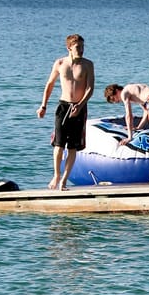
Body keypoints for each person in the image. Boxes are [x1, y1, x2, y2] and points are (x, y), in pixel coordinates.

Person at [38, 34, 95, 189]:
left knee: (73, 147)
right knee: (59, 144)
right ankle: (56, 175)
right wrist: (43, 106)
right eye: (78, 47)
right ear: (69, 47)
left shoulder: (88, 64)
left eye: (83, 47)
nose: (81, 50)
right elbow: (49, 84)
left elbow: (90, 88)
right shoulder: (60, 63)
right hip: (63, 107)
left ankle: (64, 180)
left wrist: (81, 105)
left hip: (80, 107)